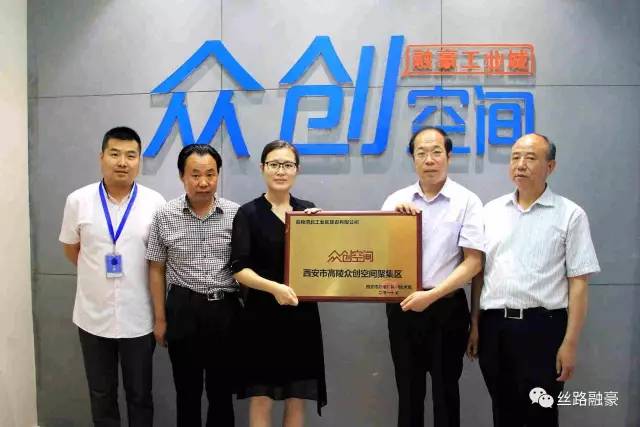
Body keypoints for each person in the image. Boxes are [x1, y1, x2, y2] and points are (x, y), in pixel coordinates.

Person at [467, 133, 600, 427]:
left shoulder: (570, 214)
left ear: (550, 166)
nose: (520, 164)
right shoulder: (490, 212)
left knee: (541, 414)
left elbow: (579, 284)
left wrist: (570, 344)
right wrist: (475, 323)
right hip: (495, 327)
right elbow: (479, 273)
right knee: (503, 413)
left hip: (544, 328)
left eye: (530, 158)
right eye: (515, 157)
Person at [59, 126, 165, 427]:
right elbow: (72, 250)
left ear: (139, 160)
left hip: (138, 318)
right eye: (115, 154)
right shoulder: (78, 200)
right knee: (101, 394)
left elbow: (158, 262)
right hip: (93, 316)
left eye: (131, 155)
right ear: (101, 157)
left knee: (140, 395)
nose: (122, 162)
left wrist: (160, 317)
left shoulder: (155, 203)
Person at [381, 126, 484, 427]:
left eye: (436, 152)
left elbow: (474, 262)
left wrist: (431, 296)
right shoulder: (395, 201)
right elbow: (378, 255)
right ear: (412, 158)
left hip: (447, 308)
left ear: (449, 156)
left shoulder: (467, 201)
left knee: (446, 393)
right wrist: (394, 223)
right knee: (408, 394)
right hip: (402, 307)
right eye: (421, 153)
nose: (429, 159)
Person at [231, 140, 327, 427]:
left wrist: (324, 227)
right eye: (274, 164)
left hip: (301, 316)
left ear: (297, 170)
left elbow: (324, 262)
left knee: (297, 396)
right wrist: (275, 288)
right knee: (261, 397)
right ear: (263, 168)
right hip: (261, 317)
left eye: (287, 165)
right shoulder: (248, 213)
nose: (281, 171)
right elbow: (239, 269)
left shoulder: (307, 211)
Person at [146, 144, 240, 427]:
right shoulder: (164, 215)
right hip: (182, 310)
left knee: (222, 394)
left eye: (210, 174)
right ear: (182, 176)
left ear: (218, 175)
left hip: (224, 310)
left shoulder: (235, 214)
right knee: (187, 393)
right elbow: (156, 268)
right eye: (195, 175)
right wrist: (160, 319)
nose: (203, 182)